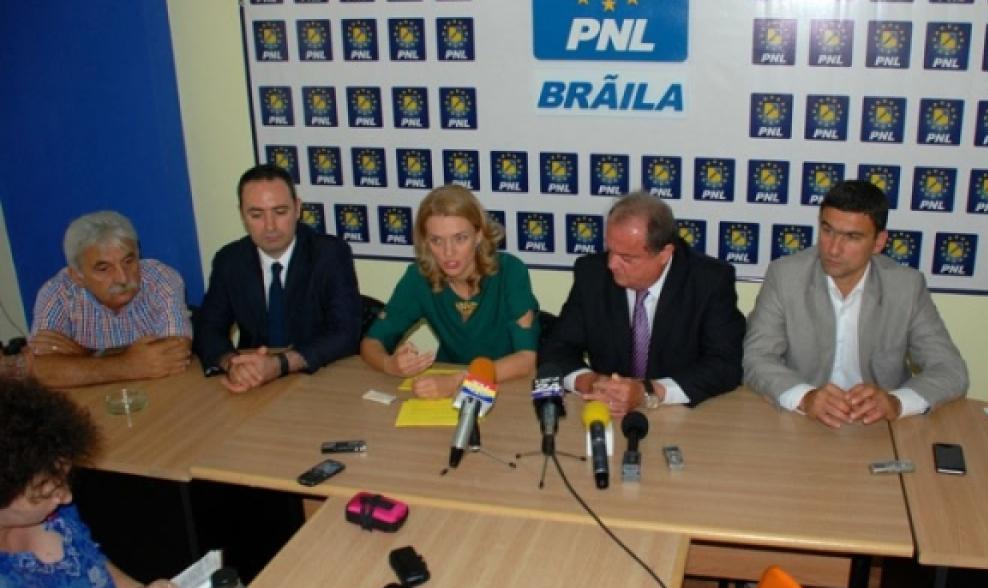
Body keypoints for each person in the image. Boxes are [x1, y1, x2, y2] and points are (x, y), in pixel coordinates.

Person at [743, 180, 968, 428]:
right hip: (803, 420)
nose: (833, 249)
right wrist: (805, 397)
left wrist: (896, 402)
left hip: (879, 426)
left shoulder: (906, 287)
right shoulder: (785, 276)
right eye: (827, 230)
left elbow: (950, 370)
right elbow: (756, 357)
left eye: (852, 237)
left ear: (879, 242)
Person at [539, 192, 746, 416]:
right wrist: (590, 382)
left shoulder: (709, 282)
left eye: (626, 258)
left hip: (678, 415)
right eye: (610, 250)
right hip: (607, 412)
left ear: (665, 254)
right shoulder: (592, 274)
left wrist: (649, 391)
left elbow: (725, 365)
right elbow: (557, 348)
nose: (611, 264)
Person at [0, 378, 178, 588]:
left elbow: (102, 574)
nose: (67, 497)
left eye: (63, 479)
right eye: (48, 493)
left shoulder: (56, 518)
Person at [194, 164, 362, 393]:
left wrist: (279, 364)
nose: (270, 226)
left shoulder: (329, 254)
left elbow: (345, 333)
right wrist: (233, 364)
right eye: (256, 215)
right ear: (242, 214)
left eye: (280, 212)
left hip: (317, 379)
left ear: (297, 208)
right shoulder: (229, 260)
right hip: (253, 385)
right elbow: (208, 329)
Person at [361, 185, 539, 397]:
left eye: (460, 238)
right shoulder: (419, 277)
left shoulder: (510, 272)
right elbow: (371, 343)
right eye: (436, 240)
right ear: (425, 242)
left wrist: (458, 382)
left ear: (479, 235)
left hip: (507, 387)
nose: (448, 252)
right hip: (444, 386)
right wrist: (389, 364)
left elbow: (526, 360)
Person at [28, 211, 192, 388]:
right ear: (77, 276)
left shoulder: (161, 278)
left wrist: (85, 355)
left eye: (128, 261)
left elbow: (176, 351)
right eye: (104, 268)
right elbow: (40, 370)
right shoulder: (57, 293)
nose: (122, 278)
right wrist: (127, 365)